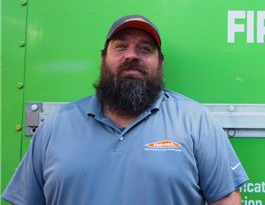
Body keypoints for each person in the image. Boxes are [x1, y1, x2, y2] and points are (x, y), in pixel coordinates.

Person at [2, 15, 248, 205]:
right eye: (121, 47)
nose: (132, 56)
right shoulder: (56, 126)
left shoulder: (195, 122)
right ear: (102, 58)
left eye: (144, 48)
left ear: (160, 62)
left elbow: (227, 200)